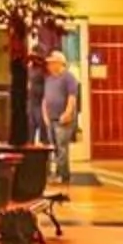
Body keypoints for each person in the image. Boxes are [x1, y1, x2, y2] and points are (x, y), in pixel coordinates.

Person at [38, 48, 81, 191]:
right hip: (50, 118)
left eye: (51, 63)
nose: (49, 66)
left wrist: (67, 114)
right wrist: (45, 115)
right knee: (54, 148)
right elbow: (45, 99)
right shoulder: (49, 79)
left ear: (59, 63)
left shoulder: (69, 78)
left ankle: (62, 175)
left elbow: (72, 98)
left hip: (63, 119)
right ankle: (58, 174)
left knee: (62, 148)